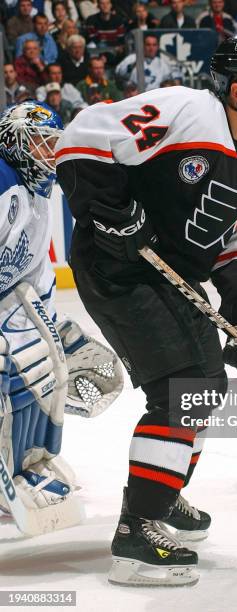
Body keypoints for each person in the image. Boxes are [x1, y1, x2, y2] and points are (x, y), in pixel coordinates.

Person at [55, 34, 237, 587]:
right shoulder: (187, 111)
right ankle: (138, 531)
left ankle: (160, 494)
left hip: (175, 276)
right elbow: (82, 140)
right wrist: (112, 211)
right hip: (115, 265)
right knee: (183, 384)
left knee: (204, 386)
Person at [0, 100, 123, 536]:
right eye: (39, 143)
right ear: (14, 142)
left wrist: (57, 329)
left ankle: (31, 460)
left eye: (52, 144)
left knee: (46, 367)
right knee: (10, 374)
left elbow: (35, 270)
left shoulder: (39, 192)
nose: (49, 153)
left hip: (10, 301)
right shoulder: (2, 182)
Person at [115, 34, 181, 91]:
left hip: (155, 98)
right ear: (143, 46)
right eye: (148, 45)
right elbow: (119, 73)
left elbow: (174, 80)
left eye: (154, 45)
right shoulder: (132, 58)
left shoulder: (162, 64)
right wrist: (132, 65)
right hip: (135, 97)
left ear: (157, 47)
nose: (151, 48)